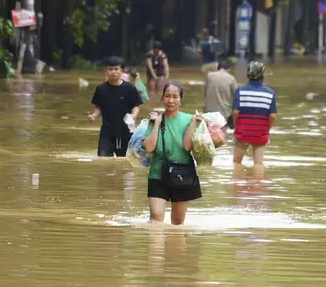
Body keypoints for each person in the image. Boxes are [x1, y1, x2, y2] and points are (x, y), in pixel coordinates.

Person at [142, 82, 203, 225]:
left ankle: (175, 247)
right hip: (158, 173)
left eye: (175, 97)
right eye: (167, 96)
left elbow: (187, 147)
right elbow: (149, 148)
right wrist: (157, 123)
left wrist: (194, 122)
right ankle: (156, 248)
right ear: (162, 98)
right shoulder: (155, 120)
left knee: (177, 222)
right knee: (155, 218)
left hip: (183, 174)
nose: (171, 100)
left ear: (181, 100)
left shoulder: (189, 120)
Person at [88, 56, 143, 157]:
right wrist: (94, 115)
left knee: (124, 163)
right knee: (103, 160)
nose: (113, 72)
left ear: (121, 71)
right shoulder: (101, 89)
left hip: (126, 133)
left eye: (116, 69)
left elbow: (136, 105)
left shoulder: (129, 88)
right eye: (110, 69)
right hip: (107, 133)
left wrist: (133, 116)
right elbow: (99, 106)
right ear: (106, 71)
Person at [232, 61, 277, 167]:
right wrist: (267, 129)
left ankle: (238, 182)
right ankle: (258, 182)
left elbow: (235, 112)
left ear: (248, 73)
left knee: (237, 163)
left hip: (243, 131)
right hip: (260, 133)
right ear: (262, 74)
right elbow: (273, 116)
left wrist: (236, 126)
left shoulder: (240, 91)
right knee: (258, 164)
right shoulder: (270, 93)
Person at [204, 61, 238, 130]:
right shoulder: (231, 78)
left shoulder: (209, 76)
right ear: (229, 69)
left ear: (218, 68)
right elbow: (237, 97)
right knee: (221, 138)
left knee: (209, 136)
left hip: (209, 113)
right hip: (224, 113)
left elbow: (205, 93)